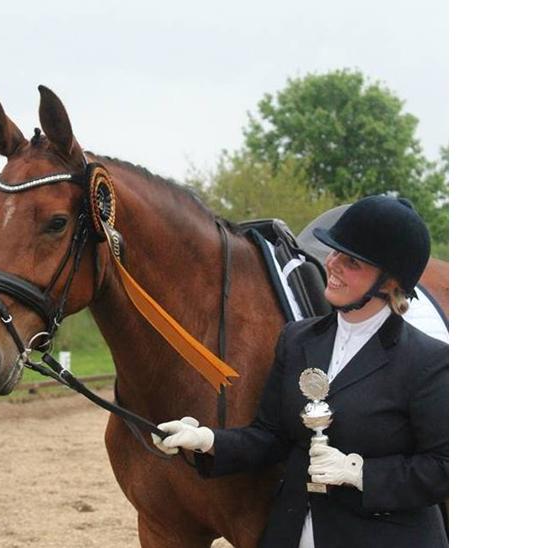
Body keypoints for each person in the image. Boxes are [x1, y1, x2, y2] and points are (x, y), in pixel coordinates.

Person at [152, 195, 449, 548]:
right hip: (292, 533)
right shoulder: (297, 339)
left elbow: (444, 468)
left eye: (352, 262)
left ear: (388, 283)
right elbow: (271, 437)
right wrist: (207, 440)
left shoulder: (428, 360)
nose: (333, 264)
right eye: (334, 253)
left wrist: (361, 473)